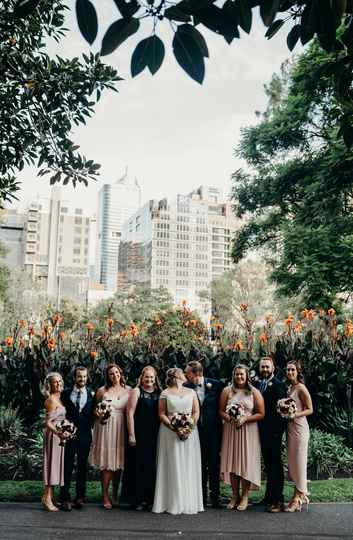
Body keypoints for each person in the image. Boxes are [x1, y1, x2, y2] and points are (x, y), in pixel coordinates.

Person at [152, 367, 203, 515]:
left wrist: (189, 427)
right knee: (172, 463)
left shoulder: (191, 392)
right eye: (181, 372)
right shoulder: (165, 393)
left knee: (188, 463)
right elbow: (161, 413)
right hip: (169, 432)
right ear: (175, 376)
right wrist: (175, 427)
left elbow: (196, 411)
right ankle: (171, 501)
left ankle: (188, 500)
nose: (184, 374)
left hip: (190, 433)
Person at [219, 364, 264, 511]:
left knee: (245, 463)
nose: (239, 377)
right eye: (237, 374)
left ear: (247, 376)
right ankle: (234, 495)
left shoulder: (253, 392)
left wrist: (245, 419)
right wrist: (230, 418)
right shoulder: (227, 391)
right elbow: (220, 410)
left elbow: (261, 413)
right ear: (234, 375)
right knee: (232, 463)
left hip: (248, 431)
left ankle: (244, 496)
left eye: (242, 374)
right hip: (231, 430)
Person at [90, 363, 130, 509]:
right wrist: (99, 414)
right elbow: (94, 410)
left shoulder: (129, 390)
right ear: (107, 376)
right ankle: (105, 496)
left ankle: (115, 494)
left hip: (121, 428)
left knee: (118, 463)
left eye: (117, 373)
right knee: (107, 463)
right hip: (106, 428)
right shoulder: (102, 391)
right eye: (111, 374)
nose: (115, 376)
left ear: (121, 373)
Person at [184, 360, 223, 508]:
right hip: (195, 432)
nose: (185, 375)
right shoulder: (185, 387)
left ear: (197, 373)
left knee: (214, 464)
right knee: (198, 464)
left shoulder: (216, 385)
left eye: (187, 373)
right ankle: (201, 496)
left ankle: (215, 496)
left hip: (213, 431)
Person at [252, 357, 287, 512]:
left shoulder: (279, 385)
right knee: (268, 465)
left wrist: (278, 432)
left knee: (276, 465)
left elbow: (283, 410)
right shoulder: (257, 384)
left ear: (273, 368)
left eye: (267, 367)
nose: (265, 369)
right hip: (260, 430)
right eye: (262, 367)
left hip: (274, 432)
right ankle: (268, 497)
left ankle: (278, 500)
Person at [124, 365, 162, 510]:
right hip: (139, 434)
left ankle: (149, 499)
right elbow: (130, 414)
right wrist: (131, 434)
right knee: (139, 466)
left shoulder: (159, 392)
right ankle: (137, 499)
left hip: (155, 434)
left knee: (152, 466)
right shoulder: (137, 392)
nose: (149, 379)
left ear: (155, 378)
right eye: (147, 377)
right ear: (142, 377)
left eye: (152, 377)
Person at [60, 366, 95, 511]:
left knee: (82, 466)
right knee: (67, 465)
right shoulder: (66, 393)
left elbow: (94, 414)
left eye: (85, 376)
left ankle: (80, 496)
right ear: (74, 377)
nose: (82, 379)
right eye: (79, 376)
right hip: (69, 434)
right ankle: (64, 497)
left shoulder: (92, 394)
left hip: (85, 434)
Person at [285, 361, 313, 512]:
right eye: (288, 370)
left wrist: (295, 414)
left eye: (292, 370)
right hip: (290, 428)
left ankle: (297, 497)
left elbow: (310, 409)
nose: (290, 372)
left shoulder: (301, 388)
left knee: (300, 461)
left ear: (297, 371)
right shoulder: (290, 388)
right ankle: (299, 494)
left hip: (300, 428)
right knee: (293, 462)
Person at [42, 372, 66, 512]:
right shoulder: (51, 400)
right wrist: (59, 433)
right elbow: (47, 423)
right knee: (51, 466)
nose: (58, 384)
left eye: (59, 381)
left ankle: (50, 497)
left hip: (59, 437)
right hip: (53, 436)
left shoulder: (59, 399)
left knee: (55, 467)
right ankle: (46, 497)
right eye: (55, 382)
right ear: (49, 385)